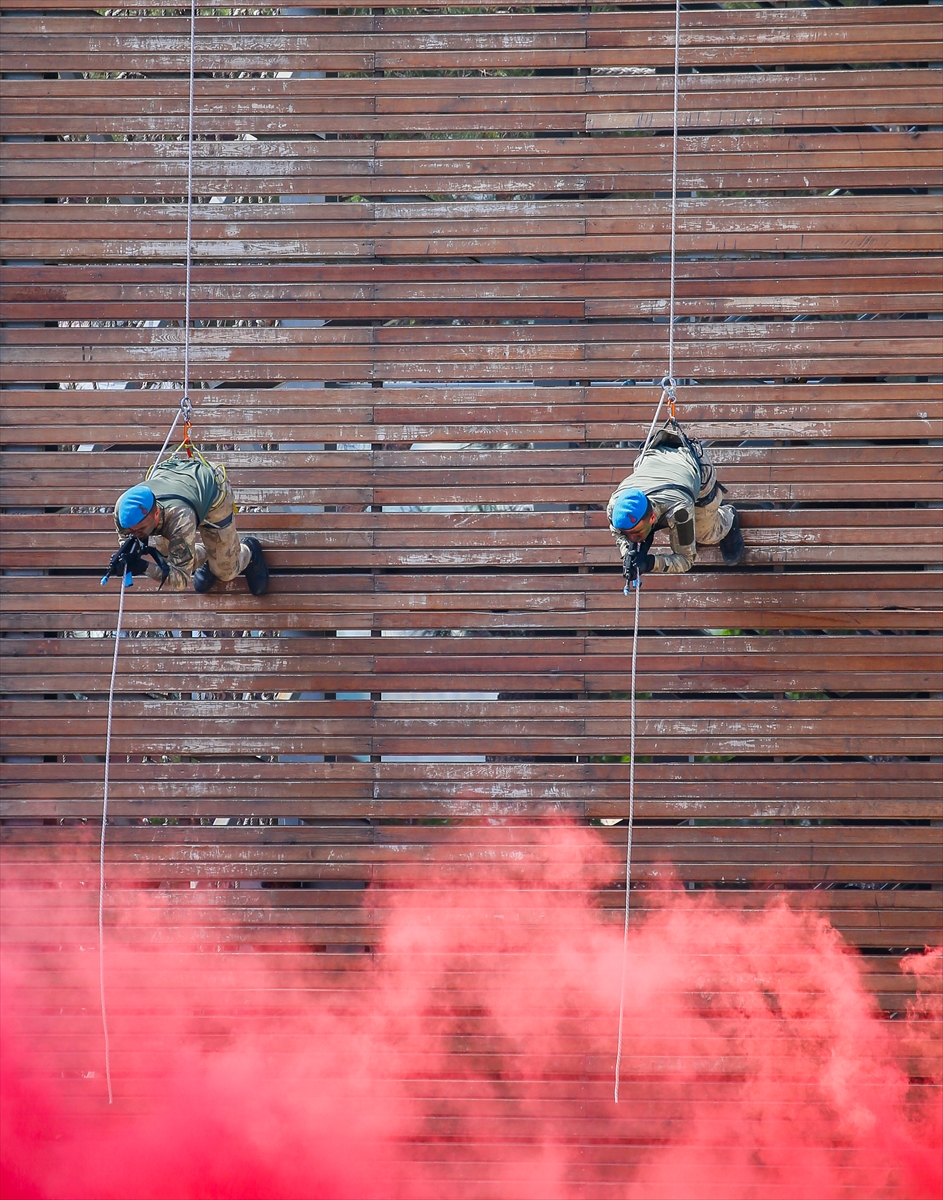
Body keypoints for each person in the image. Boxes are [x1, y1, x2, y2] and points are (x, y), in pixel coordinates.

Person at [111, 456, 269, 595]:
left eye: (140, 529)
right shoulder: (123, 510)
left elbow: (180, 581)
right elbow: (126, 538)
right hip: (174, 481)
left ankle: (249, 551)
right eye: (131, 530)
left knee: (225, 572)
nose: (135, 534)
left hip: (212, 494)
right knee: (164, 557)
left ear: (156, 513)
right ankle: (210, 555)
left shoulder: (180, 518)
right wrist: (126, 556)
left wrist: (144, 567)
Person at [607, 423, 744, 578]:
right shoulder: (614, 508)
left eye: (636, 533)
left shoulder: (679, 511)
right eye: (628, 533)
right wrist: (628, 555)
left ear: (652, 517)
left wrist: (650, 563)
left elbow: (686, 560)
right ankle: (687, 535)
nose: (632, 538)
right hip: (655, 458)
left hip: (695, 470)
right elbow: (619, 534)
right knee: (674, 529)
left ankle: (728, 518)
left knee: (705, 533)